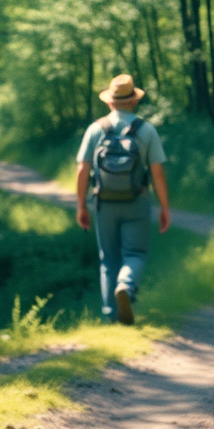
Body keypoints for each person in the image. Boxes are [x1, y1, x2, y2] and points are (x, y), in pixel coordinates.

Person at [76, 74, 171, 325]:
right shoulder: (146, 130)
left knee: (108, 260)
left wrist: (81, 206)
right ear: (134, 101)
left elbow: (83, 169)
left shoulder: (96, 129)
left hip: (104, 203)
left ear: (110, 102)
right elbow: (157, 173)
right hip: (136, 202)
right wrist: (164, 207)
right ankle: (126, 286)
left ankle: (112, 316)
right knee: (135, 253)